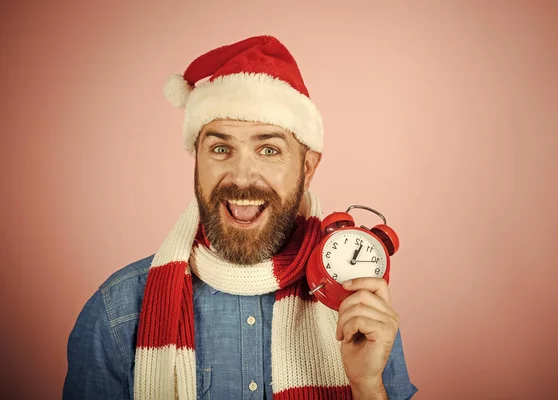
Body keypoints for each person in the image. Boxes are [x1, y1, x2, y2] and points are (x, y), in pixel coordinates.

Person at [63, 35, 418, 400]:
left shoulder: (355, 301)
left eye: (268, 149)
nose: (242, 177)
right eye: (221, 148)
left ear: (307, 168)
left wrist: (367, 387)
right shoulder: (118, 312)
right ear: (197, 161)